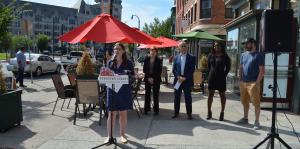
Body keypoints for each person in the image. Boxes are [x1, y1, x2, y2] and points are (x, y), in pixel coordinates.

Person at [105, 43, 134, 143]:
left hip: (123, 92)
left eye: (118, 49)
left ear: (123, 51)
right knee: (111, 114)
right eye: (115, 49)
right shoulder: (110, 63)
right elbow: (106, 76)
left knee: (123, 114)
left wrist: (123, 76)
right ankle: (109, 136)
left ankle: (122, 135)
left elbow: (132, 78)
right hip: (112, 92)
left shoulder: (129, 63)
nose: (116, 51)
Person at [238, 38, 265, 130]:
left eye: (247, 44)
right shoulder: (243, 55)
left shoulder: (258, 55)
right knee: (244, 101)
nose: (245, 45)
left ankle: (257, 122)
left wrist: (256, 83)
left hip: (253, 83)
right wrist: (240, 79)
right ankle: (245, 118)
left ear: (253, 44)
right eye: (245, 44)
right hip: (243, 83)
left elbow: (262, 71)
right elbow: (241, 67)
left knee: (256, 103)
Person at [207, 42, 231, 121]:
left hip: (221, 78)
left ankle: (222, 113)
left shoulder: (225, 56)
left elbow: (228, 67)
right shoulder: (210, 55)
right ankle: (209, 112)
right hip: (212, 78)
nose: (215, 47)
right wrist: (209, 75)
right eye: (214, 46)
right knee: (210, 95)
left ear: (221, 47)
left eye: (217, 45)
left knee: (222, 96)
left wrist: (224, 75)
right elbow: (209, 67)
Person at [172, 41, 196, 120]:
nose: (183, 47)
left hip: (187, 80)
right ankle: (176, 113)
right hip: (178, 80)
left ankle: (189, 114)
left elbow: (192, 69)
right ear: (179, 48)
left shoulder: (192, 57)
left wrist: (185, 78)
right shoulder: (176, 57)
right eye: (182, 46)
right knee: (176, 97)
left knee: (188, 97)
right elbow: (174, 69)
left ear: (187, 47)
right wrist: (178, 77)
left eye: (185, 46)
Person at [143, 47, 162, 115]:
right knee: (147, 94)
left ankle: (156, 110)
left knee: (155, 95)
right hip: (147, 78)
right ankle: (146, 109)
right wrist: (148, 78)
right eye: (151, 51)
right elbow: (144, 70)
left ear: (156, 52)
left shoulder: (159, 60)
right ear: (149, 52)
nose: (152, 52)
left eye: (154, 51)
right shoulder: (146, 59)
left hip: (156, 79)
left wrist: (153, 78)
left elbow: (159, 71)